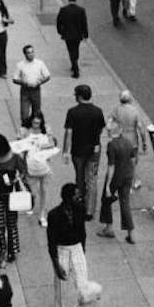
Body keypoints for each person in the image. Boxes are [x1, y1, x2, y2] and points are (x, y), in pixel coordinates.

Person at [0, 133, 30, 263]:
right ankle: (3, 248)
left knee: (11, 224)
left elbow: (24, 172)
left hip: (11, 195)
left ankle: (12, 250)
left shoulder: (14, 158)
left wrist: (16, 180)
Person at [47, 183, 88, 307]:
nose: (80, 198)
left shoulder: (80, 209)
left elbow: (83, 232)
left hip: (76, 248)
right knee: (60, 287)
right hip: (62, 250)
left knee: (83, 284)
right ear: (69, 198)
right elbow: (51, 241)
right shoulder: (54, 215)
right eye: (77, 196)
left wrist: (83, 251)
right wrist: (56, 263)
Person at [63, 84, 106, 221]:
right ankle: (90, 210)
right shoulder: (98, 111)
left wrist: (65, 151)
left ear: (79, 96)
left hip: (78, 151)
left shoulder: (72, 112)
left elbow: (69, 133)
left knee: (80, 178)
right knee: (92, 178)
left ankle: (80, 203)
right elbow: (101, 129)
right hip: (94, 150)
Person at [98, 117, 136, 243]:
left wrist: (108, 185)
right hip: (127, 175)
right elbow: (132, 160)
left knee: (106, 199)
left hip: (116, 176)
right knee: (125, 203)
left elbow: (111, 166)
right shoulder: (128, 142)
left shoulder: (111, 145)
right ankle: (130, 232)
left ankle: (108, 227)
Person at [17, 112, 58, 226]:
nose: (36, 125)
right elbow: (21, 148)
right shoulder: (25, 131)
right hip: (30, 167)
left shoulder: (46, 130)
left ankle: (42, 215)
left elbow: (52, 144)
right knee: (33, 192)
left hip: (44, 167)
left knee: (44, 191)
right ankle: (31, 204)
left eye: (38, 123)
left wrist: (40, 146)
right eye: (34, 122)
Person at [111, 89, 148, 189]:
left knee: (120, 160)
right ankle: (134, 181)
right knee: (132, 161)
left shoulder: (116, 110)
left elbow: (110, 123)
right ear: (130, 99)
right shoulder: (134, 111)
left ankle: (120, 179)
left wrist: (112, 134)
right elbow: (140, 128)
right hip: (132, 140)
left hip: (120, 137)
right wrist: (144, 142)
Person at [12, 43, 51, 127]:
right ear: (25, 54)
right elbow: (14, 79)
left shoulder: (39, 63)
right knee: (24, 114)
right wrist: (23, 83)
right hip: (25, 91)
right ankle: (24, 128)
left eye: (32, 52)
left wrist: (39, 82)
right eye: (29, 53)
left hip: (36, 90)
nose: (31, 54)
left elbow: (47, 76)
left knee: (36, 112)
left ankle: (35, 129)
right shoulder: (20, 65)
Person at [56, 0, 89, 78]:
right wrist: (85, 35)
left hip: (67, 34)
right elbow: (84, 23)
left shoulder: (63, 10)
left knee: (71, 51)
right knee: (76, 50)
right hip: (78, 35)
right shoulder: (81, 10)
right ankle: (74, 64)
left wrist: (60, 31)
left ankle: (75, 69)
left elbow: (59, 22)